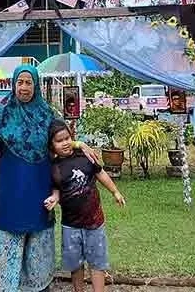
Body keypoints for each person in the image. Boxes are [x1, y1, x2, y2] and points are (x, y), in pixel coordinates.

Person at [0, 66, 99, 292]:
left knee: (39, 241)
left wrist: (79, 144)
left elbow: (61, 142)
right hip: (11, 190)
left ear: (36, 85)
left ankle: (39, 287)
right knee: (10, 238)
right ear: (14, 84)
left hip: (41, 189)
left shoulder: (47, 115)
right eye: (20, 82)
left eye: (28, 82)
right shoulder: (2, 114)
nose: (24, 87)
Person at [45, 120, 125, 292]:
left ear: (71, 138)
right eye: (59, 141)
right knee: (75, 264)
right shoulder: (54, 167)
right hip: (70, 225)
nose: (65, 143)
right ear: (52, 145)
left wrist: (115, 191)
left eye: (67, 138)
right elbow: (57, 189)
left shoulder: (85, 156)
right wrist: (54, 198)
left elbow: (101, 174)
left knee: (97, 262)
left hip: (95, 222)